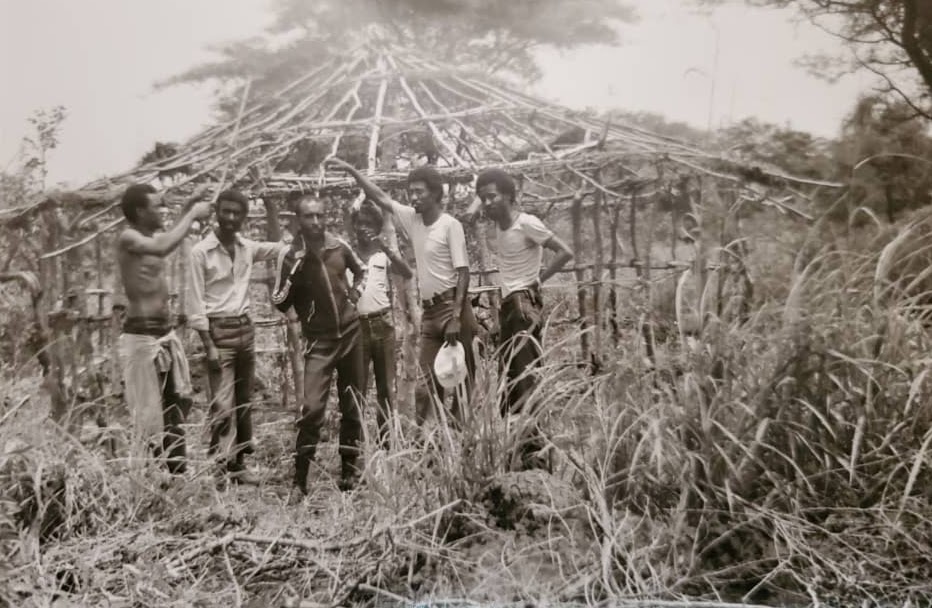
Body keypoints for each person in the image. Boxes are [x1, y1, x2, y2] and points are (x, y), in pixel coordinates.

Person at [326, 157, 478, 428]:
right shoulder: (413, 219)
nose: (414, 196)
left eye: (419, 191)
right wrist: (352, 170)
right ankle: (427, 445)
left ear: (435, 193)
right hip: (431, 313)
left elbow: (463, 272)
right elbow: (381, 196)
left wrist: (455, 316)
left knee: (462, 381)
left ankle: (464, 441)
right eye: (411, 191)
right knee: (426, 386)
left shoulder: (449, 225)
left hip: (454, 308)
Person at [187, 189, 287, 487]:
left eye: (237, 214)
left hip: (246, 330)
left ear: (244, 216)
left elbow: (278, 249)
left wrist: (296, 243)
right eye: (226, 212)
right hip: (218, 333)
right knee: (222, 403)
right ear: (217, 212)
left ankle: (238, 463)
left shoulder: (247, 247)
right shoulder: (200, 253)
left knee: (243, 402)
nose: (231, 219)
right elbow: (194, 305)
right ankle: (219, 467)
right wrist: (209, 346)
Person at [475, 168, 574, 467]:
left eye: (492, 196)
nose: (487, 203)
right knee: (512, 378)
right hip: (509, 307)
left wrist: (538, 280)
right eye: (483, 198)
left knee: (527, 377)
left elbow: (565, 252)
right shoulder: (500, 229)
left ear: (508, 195)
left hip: (522, 306)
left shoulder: (526, 223)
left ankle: (538, 456)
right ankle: (522, 451)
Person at [273, 194, 366, 494]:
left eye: (320, 216)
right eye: (308, 217)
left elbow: (362, 271)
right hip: (319, 342)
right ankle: (300, 481)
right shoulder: (290, 255)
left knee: (353, 405)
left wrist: (354, 296)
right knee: (312, 409)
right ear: (298, 220)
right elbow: (278, 301)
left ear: (327, 217)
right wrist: (294, 273)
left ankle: (349, 474)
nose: (315, 222)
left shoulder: (339, 246)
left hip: (351, 335)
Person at [116, 183, 213, 474]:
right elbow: (163, 245)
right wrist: (193, 213)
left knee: (174, 406)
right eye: (157, 206)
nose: (163, 210)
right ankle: (150, 477)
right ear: (139, 211)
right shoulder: (128, 237)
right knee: (148, 414)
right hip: (141, 337)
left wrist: (189, 206)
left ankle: (177, 472)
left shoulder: (148, 235)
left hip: (163, 335)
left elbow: (166, 236)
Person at [350, 201, 413, 448]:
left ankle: (386, 442)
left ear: (376, 227)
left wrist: (386, 247)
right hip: (357, 328)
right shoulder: (348, 254)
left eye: (369, 224)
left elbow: (406, 272)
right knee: (358, 387)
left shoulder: (381, 255)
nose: (364, 228)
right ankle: (357, 442)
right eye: (360, 223)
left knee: (386, 386)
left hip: (383, 324)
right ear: (354, 227)